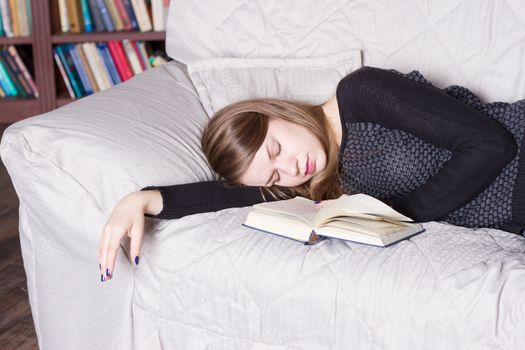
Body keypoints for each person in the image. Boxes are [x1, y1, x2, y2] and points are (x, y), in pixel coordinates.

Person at [97, 66, 524, 282]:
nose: (290, 168)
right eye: (274, 175)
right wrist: (144, 198)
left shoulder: (362, 92)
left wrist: (398, 215)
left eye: (277, 149)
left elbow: (491, 145)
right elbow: (227, 197)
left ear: (276, 113)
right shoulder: (313, 183)